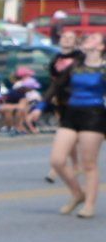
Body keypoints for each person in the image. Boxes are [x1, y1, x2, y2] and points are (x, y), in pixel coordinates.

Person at [48, 32, 106, 218]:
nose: (87, 39)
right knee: (57, 160)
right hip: (71, 113)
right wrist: (40, 105)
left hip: (93, 115)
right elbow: (57, 85)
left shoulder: (104, 69)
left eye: (92, 38)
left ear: (101, 47)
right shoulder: (75, 66)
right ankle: (77, 193)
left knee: (89, 164)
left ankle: (89, 204)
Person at [46, 28, 82, 189]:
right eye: (64, 37)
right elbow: (54, 79)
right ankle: (75, 164)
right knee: (67, 134)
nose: (66, 40)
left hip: (76, 100)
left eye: (70, 38)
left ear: (75, 42)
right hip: (61, 100)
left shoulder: (79, 57)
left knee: (68, 133)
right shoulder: (56, 59)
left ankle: (56, 168)